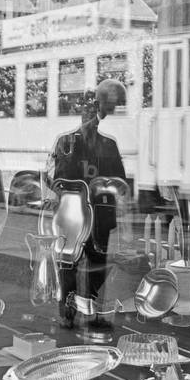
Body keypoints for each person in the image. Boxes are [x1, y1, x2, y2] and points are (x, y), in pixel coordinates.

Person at [48, 79, 127, 328]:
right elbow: (54, 178)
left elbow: (120, 183)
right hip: (76, 215)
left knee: (94, 264)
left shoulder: (106, 145)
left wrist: (104, 185)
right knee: (71, 264)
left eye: (93, 111)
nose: (90, 117)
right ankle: (70, 309)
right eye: (86, 111)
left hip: (95, 215)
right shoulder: (67, 142)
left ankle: (87, 308)